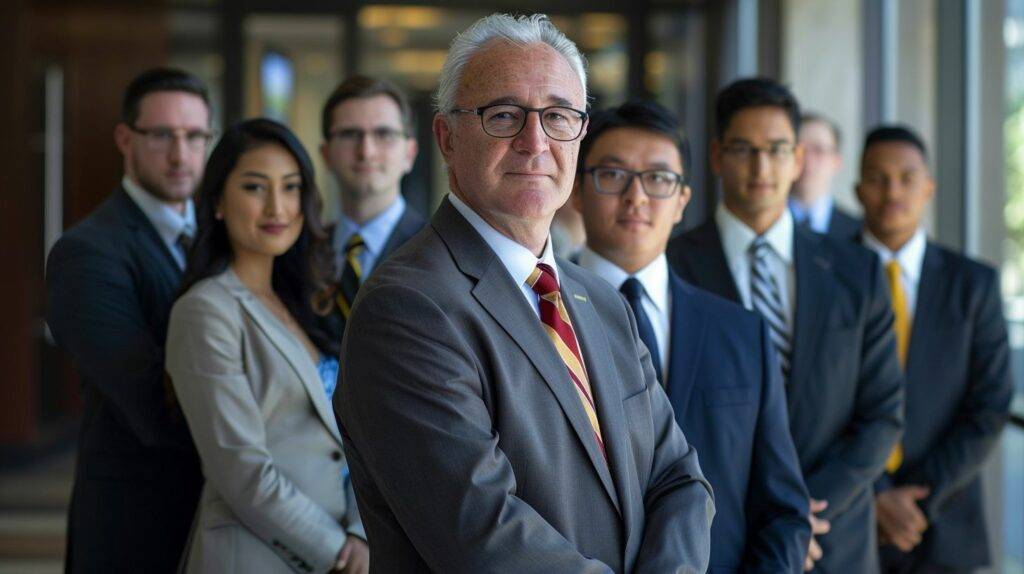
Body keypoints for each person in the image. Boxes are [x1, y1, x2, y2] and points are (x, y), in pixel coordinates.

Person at [335, 14, 714, 573]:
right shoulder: (408, 308)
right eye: (504, 115)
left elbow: (679, 479)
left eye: (558, 116)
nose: (534, 142)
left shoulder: (601, 299)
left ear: (580, 134)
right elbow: (482, 534)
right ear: (446, 137)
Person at [666, 77, 904, 574]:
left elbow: (881, 414)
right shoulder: (671, 266)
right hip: (719, 541)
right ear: (715, 156)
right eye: (743, 149)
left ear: (798, 158)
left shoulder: (856, 271)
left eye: (776, 150)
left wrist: (797, 516)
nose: (761, 168)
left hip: (835, 538)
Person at [572, 100, 811, 572]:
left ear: (682, 200)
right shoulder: (539, 318)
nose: (636, 197)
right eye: (613, 175)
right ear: (576, 191)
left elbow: (783, 510)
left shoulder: (741, 334)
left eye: (658, 179)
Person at [166, 119, 366, 574]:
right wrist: (338, 553)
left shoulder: (304, 302)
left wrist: (361, 530)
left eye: (291, 187)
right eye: (255, 188)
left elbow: (350, 437)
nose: (277, 206)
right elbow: (241, 472)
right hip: (259, 555)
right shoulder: (205, 311)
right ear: (217, 201)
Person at [46, 67, 211, 573]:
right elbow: (147, 401)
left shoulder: (216, 235)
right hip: (134, 527)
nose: (181, 155)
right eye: (161, 135)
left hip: (213, 516)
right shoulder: (87, 253)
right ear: (125, 138)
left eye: (195, 136)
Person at [852, 126, 1013, 574]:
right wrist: (875, 494)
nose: (892, 191)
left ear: (929, 188)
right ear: (858, 189)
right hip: (849, 519)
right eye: (878, 177)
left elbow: (990, 403)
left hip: (944, 521)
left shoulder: (973, 284)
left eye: (907, 177)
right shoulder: (825, 276)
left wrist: (916, 497)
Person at [318, 75, 423, 353]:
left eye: (384, 135)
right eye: (350, 134)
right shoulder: (302, 251)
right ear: (326, 154)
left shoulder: (440, 249)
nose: (366, 151)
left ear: (409, 154)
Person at [789, 113, 860, 238]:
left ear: (837, 161)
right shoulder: (765, 223)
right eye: (797, 150)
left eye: (818, 150)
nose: (807, 160)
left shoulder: (859, 231)